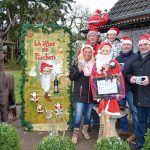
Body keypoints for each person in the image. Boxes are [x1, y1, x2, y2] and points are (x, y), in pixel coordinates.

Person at [90, 42, 125, 141]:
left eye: (107, 51)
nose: (105, 53)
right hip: (101, 96)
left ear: (110, 52)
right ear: (100, 52)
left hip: (111, 96)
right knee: (102, 116)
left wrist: (108, 72)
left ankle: (107, 139)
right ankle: (101, 136)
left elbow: (119, 77)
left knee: (108, 117)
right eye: (103, 51)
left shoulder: (114, 63)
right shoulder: (96, 65)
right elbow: (93, 79)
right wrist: (95, 93)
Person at [126, 34, 150, 150]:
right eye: (141, 45)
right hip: (139, 97)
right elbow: (127, 73)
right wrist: (130, 78)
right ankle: (141, 143)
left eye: (145, 44)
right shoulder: (135, 58)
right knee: (141, 122)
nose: (143, 47)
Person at [69, 44, 95, 144]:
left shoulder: (95, 65)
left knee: (88, 114)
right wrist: (79, 70)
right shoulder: (77, 64)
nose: (87, 54)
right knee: (78, 114)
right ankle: (75, 133)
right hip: (80, 94)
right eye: (85, 52)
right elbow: (72, 77)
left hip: (91, 94)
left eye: (89, 52)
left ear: (92, 53)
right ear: (82, 53)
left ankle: (85, 131)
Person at [116, 36, 138, 141]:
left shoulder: (136, 57)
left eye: (128, 44)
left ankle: (138, 131)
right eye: (124, 44)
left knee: (134, 109)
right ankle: (124, 128)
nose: (126, 46)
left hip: (131, 88)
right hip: (120, 89)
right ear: (122, 46)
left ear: (131, 46)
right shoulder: (117, 58)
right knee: (121, 109)